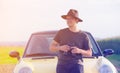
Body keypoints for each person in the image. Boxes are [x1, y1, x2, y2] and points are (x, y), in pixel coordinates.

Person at [49, 9, 92, 73]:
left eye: (71, 18)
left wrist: (79, 50)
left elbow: (89, 53)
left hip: (77, 66)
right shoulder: (61, 32)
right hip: (62, 65)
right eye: (67, 19)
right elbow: (51, 48)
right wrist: (60, 47)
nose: (68, 20)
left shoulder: (83, 35)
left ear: (76, 20)